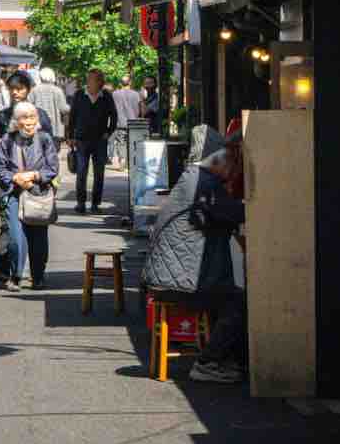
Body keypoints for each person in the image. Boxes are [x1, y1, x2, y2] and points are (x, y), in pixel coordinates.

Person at [143, 136, 247, 384]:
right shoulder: (206, 184)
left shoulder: (193, 177)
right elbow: (227, 213)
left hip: (165, 276)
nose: (232, 176)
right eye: (233, 168)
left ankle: (220, 359)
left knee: (225, 294)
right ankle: (207, 362)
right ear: (222, 162)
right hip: (178, 282)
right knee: (238, 302)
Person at [0, 102, 60, 290]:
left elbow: (53, 168)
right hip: (13, 193)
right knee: (15, 237)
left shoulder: (45, 139)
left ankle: (38, 276)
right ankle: (16, 276)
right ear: (17, 121)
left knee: (38, 237)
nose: (29, 122)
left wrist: (35, 176)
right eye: (24, 118)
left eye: (32, 117)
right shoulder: (7, 140)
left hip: (37, 193)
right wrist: (15, 177)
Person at [0, 72, 35, 284]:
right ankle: (5, 267)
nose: (15, 92)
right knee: (7, 223)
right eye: (12, 88)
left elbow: (48, 142)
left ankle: (22, 269)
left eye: (20, 88)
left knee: (33, 224)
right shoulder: (1, 117)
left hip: (33, 180)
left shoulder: (36, 114)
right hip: (9, 179)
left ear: (28, 90)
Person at [67, 68, 118, 214]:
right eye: (91, 79)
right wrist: (70, 136)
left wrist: (109, 132)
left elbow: (114, 115)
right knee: (81, 172)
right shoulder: (79, 95)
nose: (91, 83)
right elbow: (72, 117)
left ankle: (95, 204)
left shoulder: (106, 96)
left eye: (97, 80)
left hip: (100, 140)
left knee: (99, 173)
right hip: (82, 140)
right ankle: (81, 203)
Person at [28, 67, 69, 145]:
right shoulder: (58, 91)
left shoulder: (34, 90)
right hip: (54, 129)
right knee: (53, 151)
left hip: (38, 126)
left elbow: (29, 106)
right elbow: (63, 108)